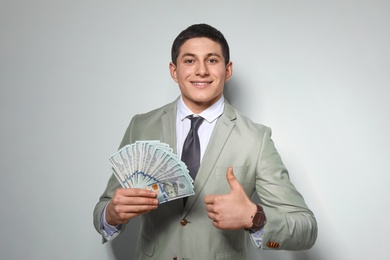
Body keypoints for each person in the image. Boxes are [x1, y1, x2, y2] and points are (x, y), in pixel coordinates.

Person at [93, 23, 317, 259]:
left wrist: (255, 217)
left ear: (227, 70)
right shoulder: (141, 125)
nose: (201, 71)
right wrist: (111, 214)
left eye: (212, 60)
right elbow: (104, 208)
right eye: (189, 61)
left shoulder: (256, 139)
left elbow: (306, 228)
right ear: (174, 70)